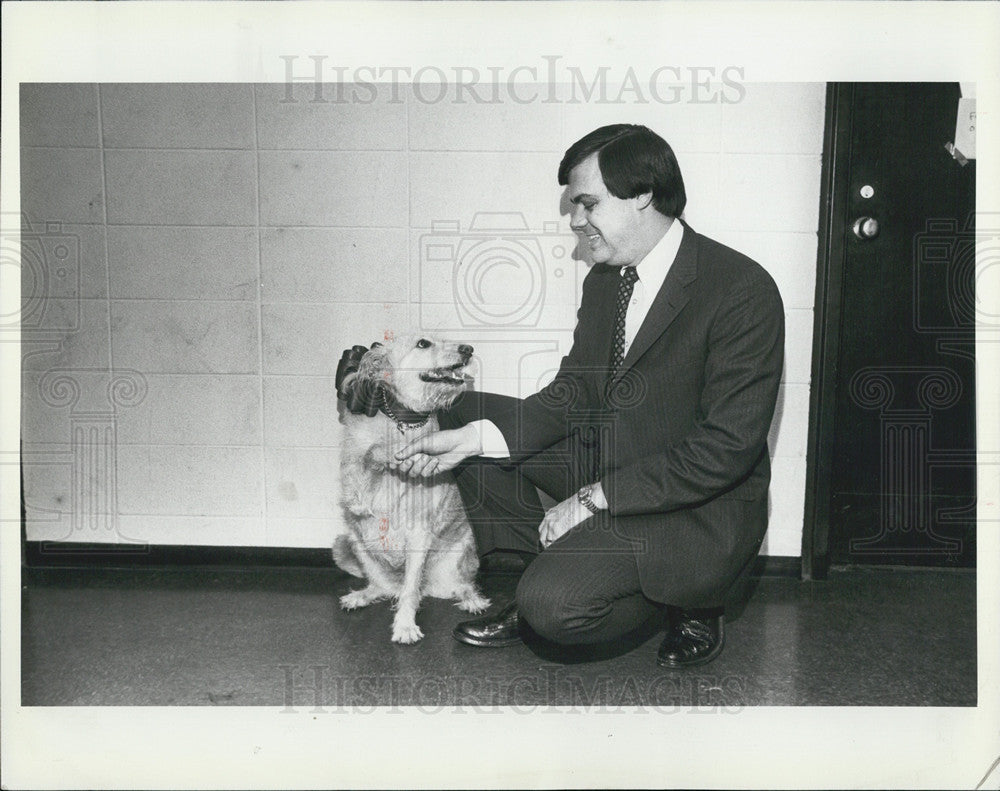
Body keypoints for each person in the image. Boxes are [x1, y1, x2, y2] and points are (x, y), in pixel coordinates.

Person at [345, 124, 784, 667]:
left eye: (586, 202)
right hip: (612, 459)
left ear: (642, 194)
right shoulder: (607, 280)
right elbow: (575, 391)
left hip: (690, 507)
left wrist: (596, 497)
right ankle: (548, 571)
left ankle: (687, 600)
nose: (575, 219)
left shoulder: (741, 289)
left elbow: (725, 449)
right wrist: (474, 439)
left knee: (555, 610)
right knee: (466, 416)